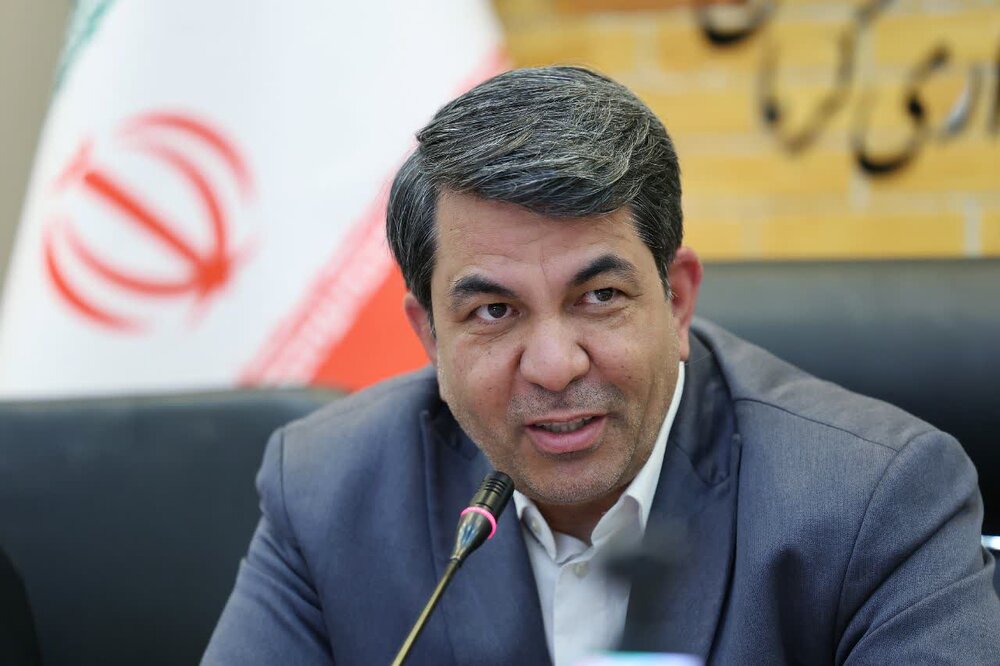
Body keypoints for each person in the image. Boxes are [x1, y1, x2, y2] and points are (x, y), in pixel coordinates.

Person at [203, 66, 1000, 665]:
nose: (554, 366)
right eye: (494, 311)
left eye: (599, 297)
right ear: (431, 336)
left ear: (676, 300)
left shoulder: (875, 501)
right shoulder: (328, 491)